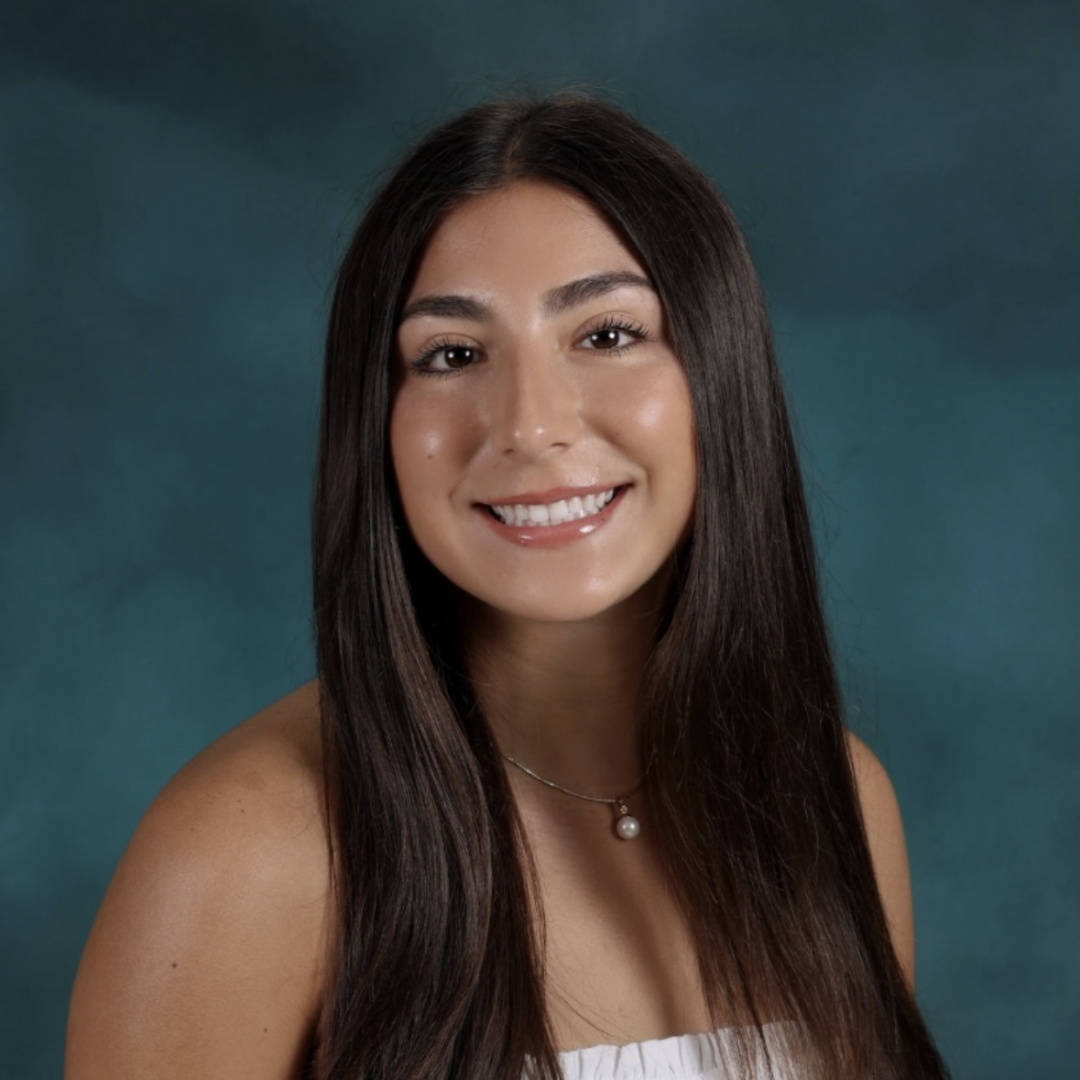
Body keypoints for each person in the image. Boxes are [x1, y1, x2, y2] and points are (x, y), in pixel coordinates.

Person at [65, 94, 949, 1080]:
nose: (530, 423)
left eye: (607, 334)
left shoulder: (833, 797)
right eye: (451, 354)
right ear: (376, 421)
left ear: (720, 371)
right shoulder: (242, 855)